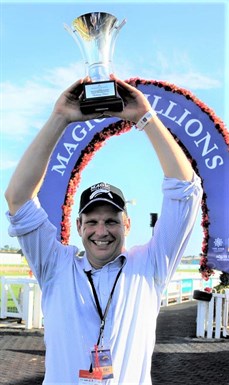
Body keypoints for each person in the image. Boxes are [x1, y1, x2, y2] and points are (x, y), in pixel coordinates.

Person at [5, 76, 202, 385]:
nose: (101, 231)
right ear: (79, 226)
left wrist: (145, 117)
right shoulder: (55, 266)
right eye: (92, 221)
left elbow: (186, 189)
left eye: (111, 220)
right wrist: (60, 118)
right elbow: (18, 198)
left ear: (127, 224)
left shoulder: (150, 266)